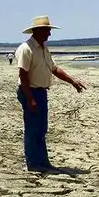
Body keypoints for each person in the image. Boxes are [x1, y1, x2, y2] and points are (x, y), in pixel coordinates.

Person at [15, 15, 86, 172]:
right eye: (47, 31)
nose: (49, 34)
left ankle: (42, 162)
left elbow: (54, 69)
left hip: (40, 92)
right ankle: (33, 164)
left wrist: (72, 81)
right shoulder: (26, 49)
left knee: (41, 128)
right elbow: (23, 75)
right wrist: (30, 99)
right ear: (38, 31)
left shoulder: (43, 48)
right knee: (33, 128)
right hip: (31, 92)